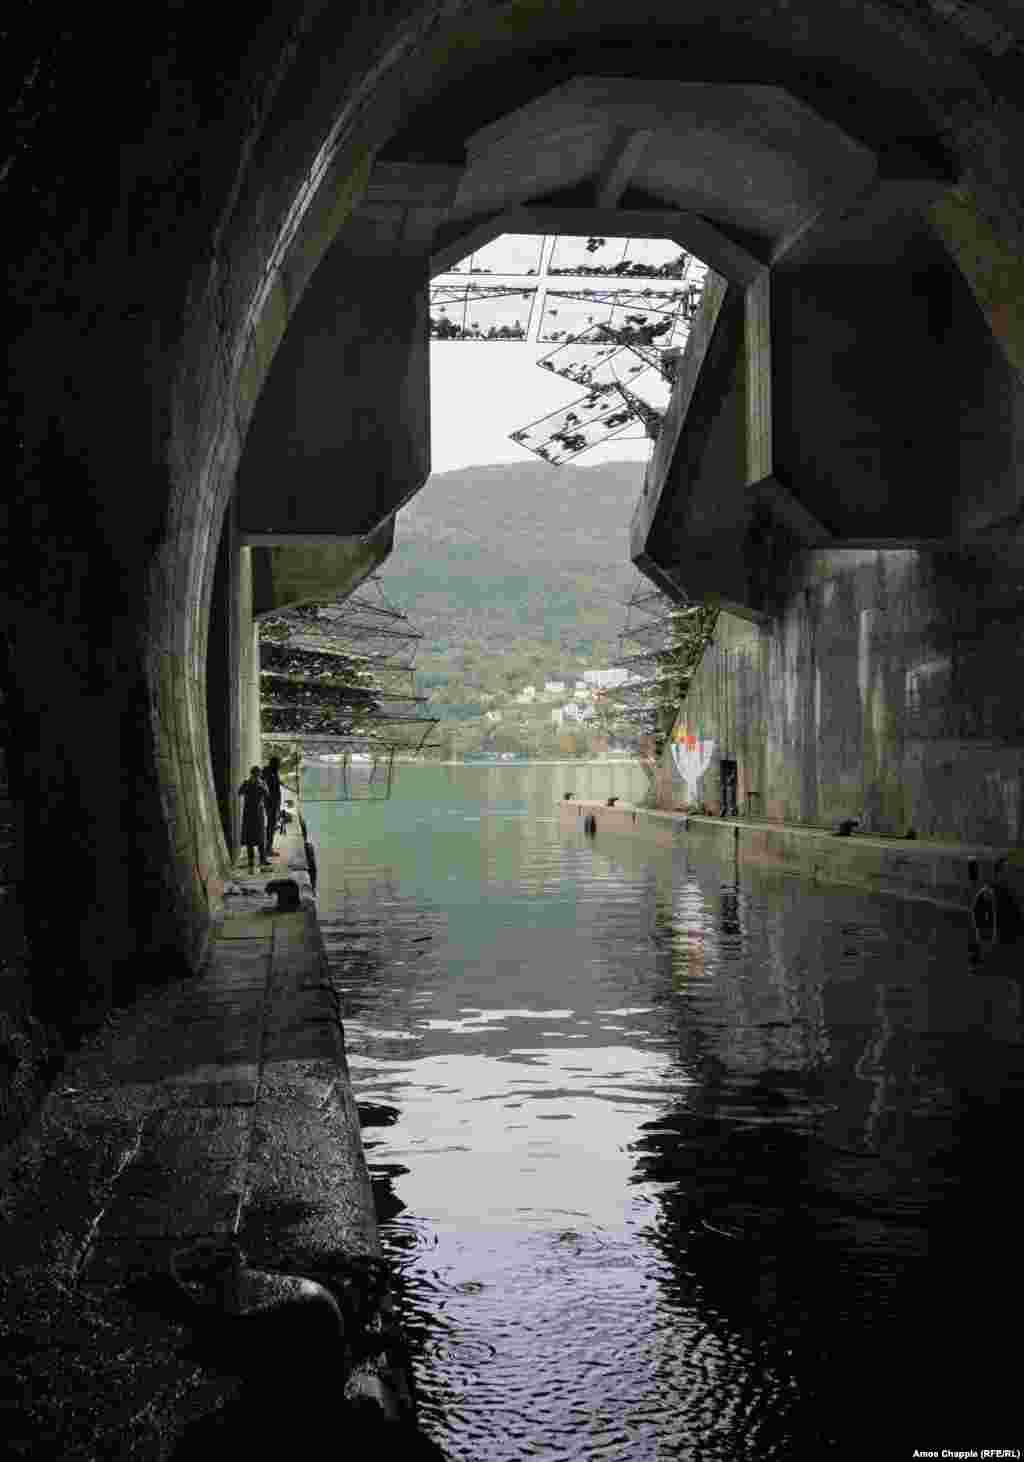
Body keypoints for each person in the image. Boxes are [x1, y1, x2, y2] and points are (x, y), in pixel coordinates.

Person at [238, 767, 270, 874]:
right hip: (250, 814)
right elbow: (240, 792)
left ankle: (262, 860)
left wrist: (261, 785)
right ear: (252, 774)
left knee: (260, 838)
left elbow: (266, 794)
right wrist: (249, 784)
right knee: (250, 839)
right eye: (255, 774)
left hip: (257, 814)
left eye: (258, 775)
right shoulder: (247, 783)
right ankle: (252, 862)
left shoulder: (262, 783)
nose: (257, 776)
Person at [262, 755, 283, 860]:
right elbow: (268, 787)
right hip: (272, 804)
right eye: (278, 764)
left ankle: (268, 848)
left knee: (271, 826)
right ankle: (268, 849)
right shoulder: (270, 773)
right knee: (271, 826)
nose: (280, 766)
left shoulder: (269, 772)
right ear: (275, 764)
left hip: (272, 803)